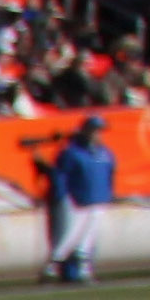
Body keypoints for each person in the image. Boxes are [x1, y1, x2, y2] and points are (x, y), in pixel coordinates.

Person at [43, 113, 113, 285]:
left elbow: (110, 173)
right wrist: (61, 196)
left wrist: (110, 194)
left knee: (89, 238)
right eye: (94, 131)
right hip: (78, 200)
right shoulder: (72, 152)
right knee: (69, 235)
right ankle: (54, 266)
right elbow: (61, 176)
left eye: (99, 131)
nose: (97, 134)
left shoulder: (104, 153)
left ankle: (83, 270)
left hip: (99, 199)